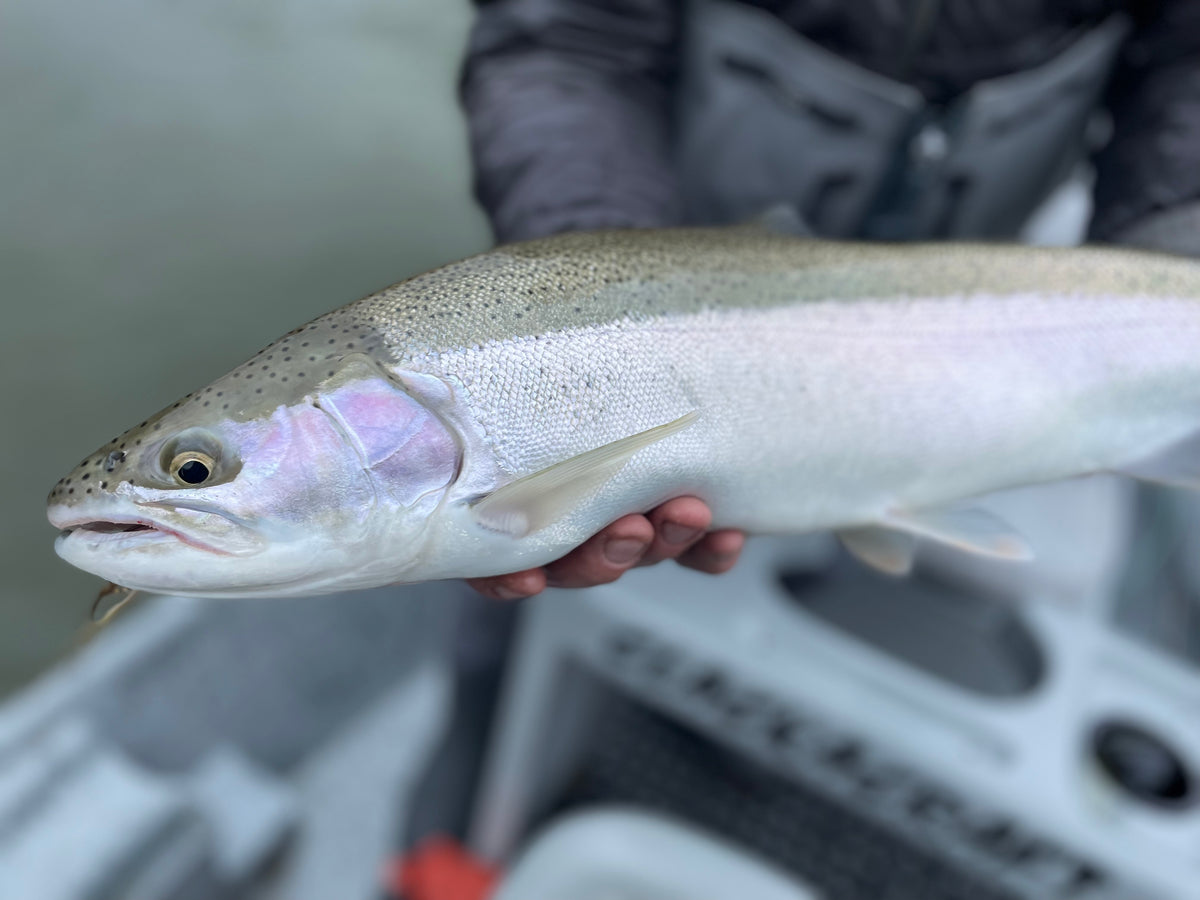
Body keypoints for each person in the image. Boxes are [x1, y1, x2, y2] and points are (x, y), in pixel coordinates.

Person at [458, 0, 1200, 601]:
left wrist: (1172, 262)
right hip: (663, 239)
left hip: (989, 297)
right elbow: (566, 36)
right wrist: (602, 301)